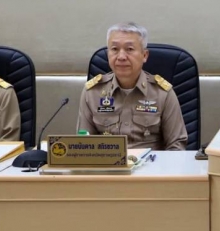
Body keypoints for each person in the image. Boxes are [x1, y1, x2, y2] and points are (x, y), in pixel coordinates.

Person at [78, 22, 187, 150]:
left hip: (151, 162)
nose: (121, 57)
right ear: (108, 54)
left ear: (144, 55)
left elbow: (176, 145)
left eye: (129, 49)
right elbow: (83, 145)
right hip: (107, 162)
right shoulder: (92, 92)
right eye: (114, 49)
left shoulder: (163, 93)